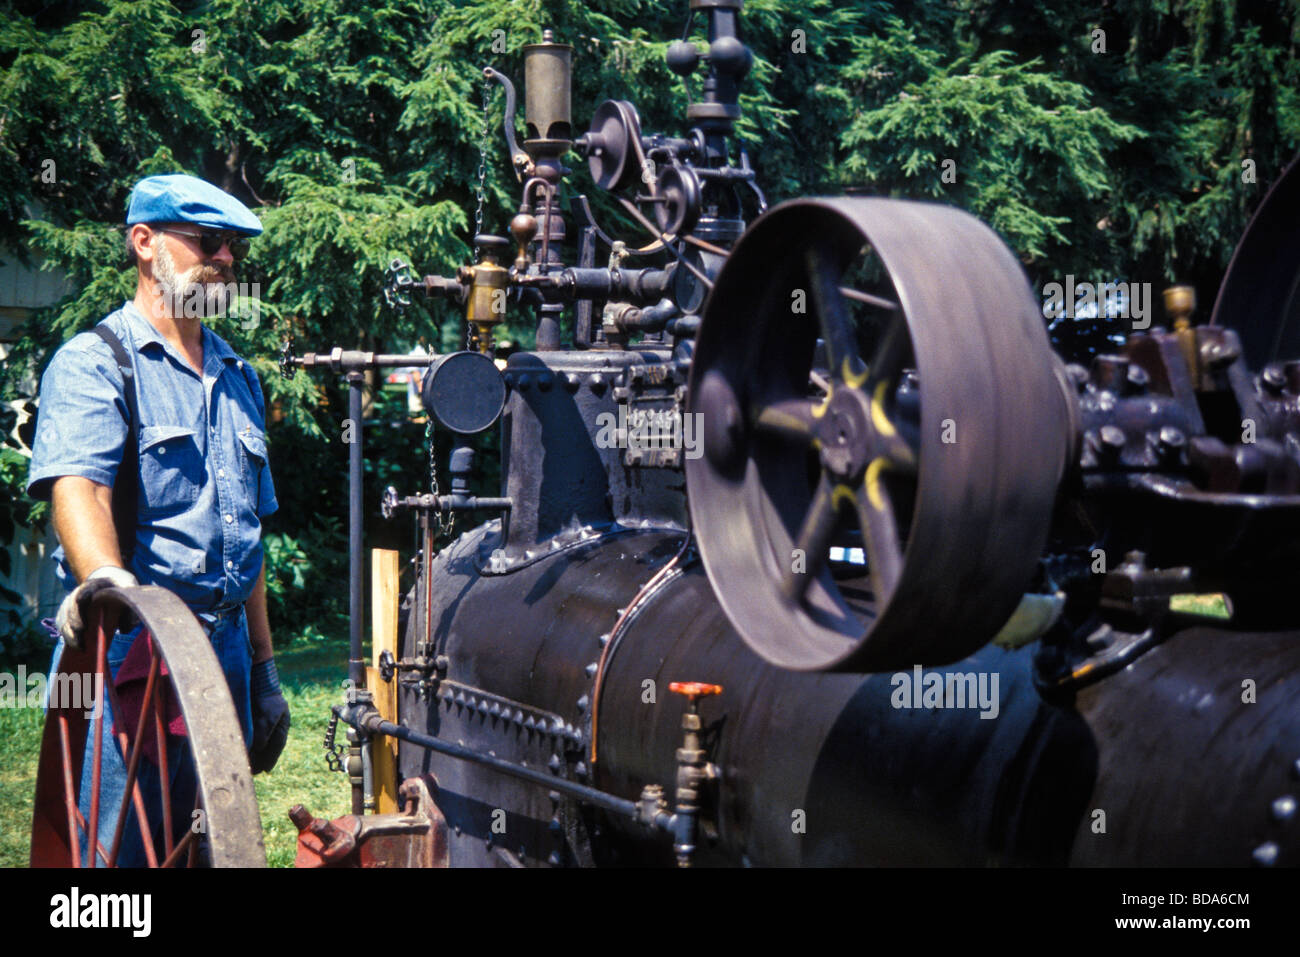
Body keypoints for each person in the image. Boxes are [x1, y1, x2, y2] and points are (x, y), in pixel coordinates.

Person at [26, 173, 290, 865]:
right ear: (145, 243)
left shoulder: (238, 376)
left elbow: (250, 541)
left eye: (233, 246)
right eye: (208, 241)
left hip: (224, 651)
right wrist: (107, 580)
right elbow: (78, 488)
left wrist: (263, 669)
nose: (227, 259)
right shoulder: (96, 363)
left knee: (205, 846)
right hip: (134, 651)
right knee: (122, 858)